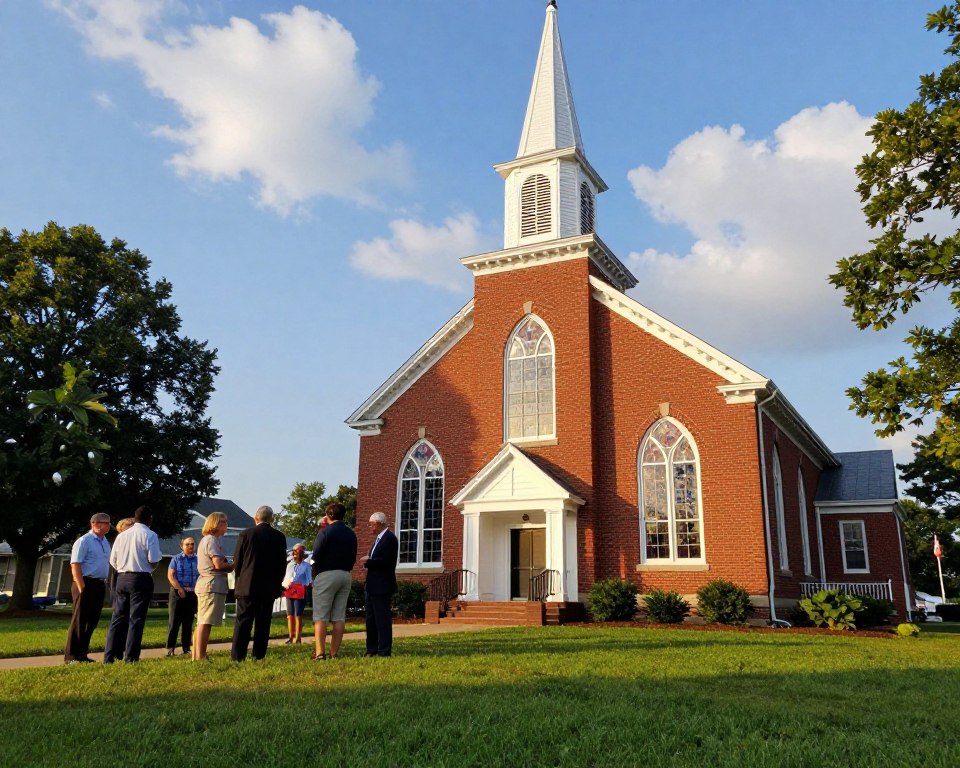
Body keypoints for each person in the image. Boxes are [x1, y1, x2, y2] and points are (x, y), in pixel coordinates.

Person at [104, 505, 161, 663]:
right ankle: (130, 657)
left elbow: (112, 560)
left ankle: (108, 656)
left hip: (121, 577)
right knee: (136, 618)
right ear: (149, 518)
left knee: (117, 617)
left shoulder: (122, 536)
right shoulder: (150, 535)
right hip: (140, 577)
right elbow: (154, 559)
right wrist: (149, 568)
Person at [231, 505, 287, 661]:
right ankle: (259, 655)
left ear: (255, 518)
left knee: (243, 622)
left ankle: (238, 656)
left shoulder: (246, 534)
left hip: (247, 585)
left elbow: (237, 561)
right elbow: (282, 564)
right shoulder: (279, 537)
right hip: (268, 587)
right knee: (263, 623)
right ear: (271, 519)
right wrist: (277, 582)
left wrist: (240, 580)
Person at [310, 503, 357, 660]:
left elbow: (315, 553)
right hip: (345, 574)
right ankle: (334, 652)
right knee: (339, 616)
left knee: (321, 616)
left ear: (328, 515)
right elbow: (353, 556)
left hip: (326, 574)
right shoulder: (351, 533)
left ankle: (320, 652)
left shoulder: (325, 531)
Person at [64, 512, 112, 664]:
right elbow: (75, 564)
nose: (109, 525)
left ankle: (82, 654)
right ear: (95, 523)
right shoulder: (84, 541)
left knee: (92, 620)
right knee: (79, 620)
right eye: (106, 522)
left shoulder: (105, 541)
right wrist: (81, 586)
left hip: (99, 583)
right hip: (85, 583)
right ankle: (71, 656)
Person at [193, 511, 234, 661]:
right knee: (205, 621)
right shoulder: (211, 540)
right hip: (211, 583)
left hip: (208, 583)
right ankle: (201, 656)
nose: (226, 525)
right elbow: (218, 564)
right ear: (215, 524)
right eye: (223, 522)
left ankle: (196, 655)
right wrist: (234, 564)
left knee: (202, 621)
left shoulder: (210, 540)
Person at [360, 511, 399, 658]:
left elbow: (386, 562)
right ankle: (371, 649)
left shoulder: (389, 539)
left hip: (382, 585)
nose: (369, 527)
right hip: (371, 585)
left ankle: (384, 650)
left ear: (378, 523)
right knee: (370, 619)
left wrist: (368, 562)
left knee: (382, 619)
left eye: (371, 524)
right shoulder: (377, 540)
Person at [165, 536, 198, 657]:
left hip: (192, 593)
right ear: (182, 546)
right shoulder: (176, 559)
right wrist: (179, 589)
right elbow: (170, 576)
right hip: (177, 593)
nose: (190, 546)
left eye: (192, 544)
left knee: (188, 622)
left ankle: (186, 648)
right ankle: (171, 648)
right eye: (187, 544)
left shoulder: (198, 559)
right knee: (174, 621)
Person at [283, 543, 312, 644]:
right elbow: (286, 577)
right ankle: (291, 637)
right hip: (289, 590)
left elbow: (309, 580)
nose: (297, 554)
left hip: (300, 591)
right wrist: (285, 585)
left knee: (298, 614)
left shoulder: (306, 566)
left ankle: (298, 638)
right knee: (290, 614)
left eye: (299, 551)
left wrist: (305, 585)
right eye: (295, 551)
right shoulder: (290, 564)